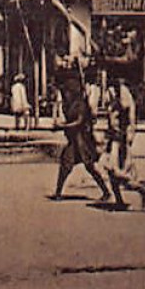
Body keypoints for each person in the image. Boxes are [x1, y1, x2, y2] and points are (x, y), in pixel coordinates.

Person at [52, 67, 111, 202]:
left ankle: (106, 191)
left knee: (89, 166)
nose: (64, 93)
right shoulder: (67, 105)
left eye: (66, 90)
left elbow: (79, 122)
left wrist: (62, 126)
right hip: (74, 140)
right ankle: (58, 192)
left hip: (82, 140)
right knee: (65, 164)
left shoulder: (80, 104)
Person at [99, 77, 145, 211]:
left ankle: (141, 190)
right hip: (113, 138)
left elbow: (129, 120)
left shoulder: (125, 100)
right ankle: (120, 201)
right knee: (111, 173)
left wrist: (128, 136)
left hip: (120, 140)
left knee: (116, 172)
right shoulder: (112, 97)